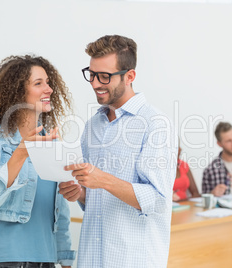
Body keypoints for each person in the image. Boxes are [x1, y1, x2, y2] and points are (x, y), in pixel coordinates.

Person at [58, 35, 177, 268]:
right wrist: (79, 192)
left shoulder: (155, 124)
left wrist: (102, 180)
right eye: (91, 75)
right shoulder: (93, 125)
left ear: (130, 76)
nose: (94, 83)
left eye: (104, 76)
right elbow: (94, 195)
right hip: (92, 259)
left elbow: (159, 201)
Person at [0, 55, 75, 268]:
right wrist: (20, 153)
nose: (49, 89)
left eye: (48, 82)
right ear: (17, 92)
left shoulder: (52, 141)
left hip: (47, 261)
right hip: (7, 261)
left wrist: (65, 260)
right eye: (39, 83)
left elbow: (60, 212)